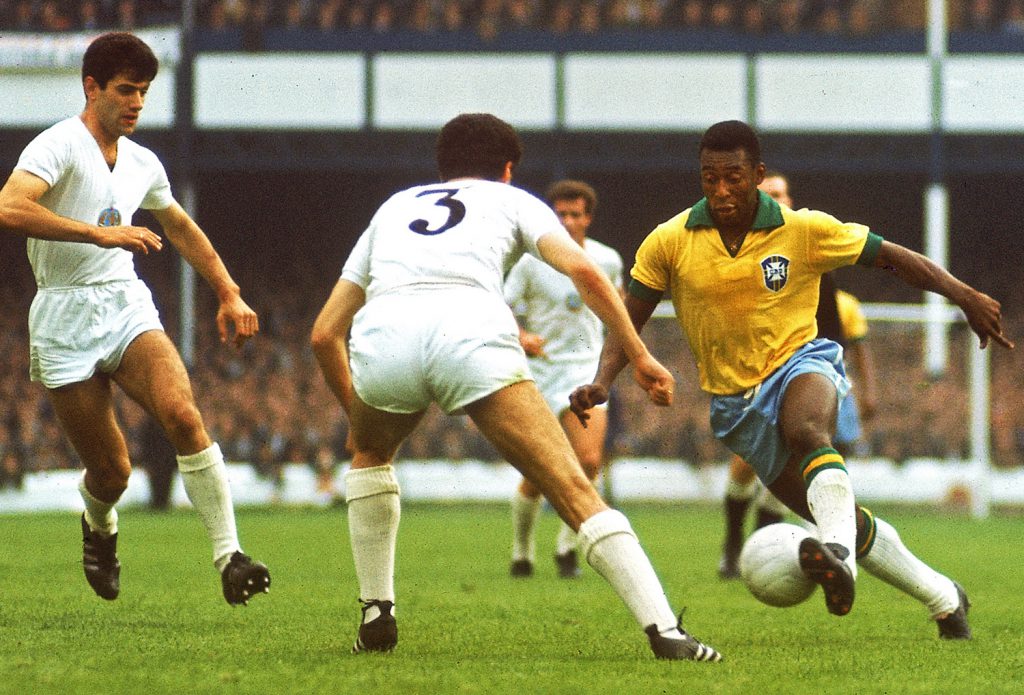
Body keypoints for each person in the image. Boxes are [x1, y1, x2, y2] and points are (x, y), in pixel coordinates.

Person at [570, 120, 1013, 639]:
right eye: (709, 178)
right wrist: (603, 381)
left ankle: (839, 560)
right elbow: (630, 318)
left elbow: (895, 258)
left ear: (756, 174)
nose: (721, 190)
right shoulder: (669, 241)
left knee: (808, 432)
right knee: (841, 517)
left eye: (733, 177)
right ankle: (943, 596)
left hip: (804, 361)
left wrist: (966, 296)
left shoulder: (804, 229)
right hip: (735, 405)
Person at [311, 113, 722, 661]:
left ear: (442, 165)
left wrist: (359, 414)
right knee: (573, 486)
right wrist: (641, 355)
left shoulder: (393, 208)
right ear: (507, 169)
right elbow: (588, 274)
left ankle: (376, 611)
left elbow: (323, 334)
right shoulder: (515, 200)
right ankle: (666, 632)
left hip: (388, 334)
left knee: (370, 456)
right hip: (470, 332)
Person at [0, 32, 270, 605]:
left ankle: (230, 557)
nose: (137, 104)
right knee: (113, 473)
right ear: (90, 87)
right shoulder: (58, 145)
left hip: (123, 299)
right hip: (63, 309)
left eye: (144, 92)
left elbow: (179, 225)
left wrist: (228, 290)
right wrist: (99, 232)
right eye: (126, 91)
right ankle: (99, 526)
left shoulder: (144, 160)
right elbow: (8, 205)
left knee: (182, 414)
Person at [717, 171, 879, 579]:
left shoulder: (810, 247)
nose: (778, 199)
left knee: (797, 462)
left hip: (803, 371)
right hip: (755, 372)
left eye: (782, 193)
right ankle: (734, 541)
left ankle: (766, 543)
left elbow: (837, 330)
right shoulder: (741, 254)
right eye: (769, 194)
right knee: (744, 466)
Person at [504, 179, 623, 580]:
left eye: (576, 214)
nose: (569, 221)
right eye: (561, 214)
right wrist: (521, 335)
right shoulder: (530, 262)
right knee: (538, 473)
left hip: (583, 371)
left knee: (588, 461)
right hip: (538, 374)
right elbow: (502, 308)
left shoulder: (606, 260)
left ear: (588, 217)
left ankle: (566, 548)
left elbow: (617, 307)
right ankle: (522, 552)